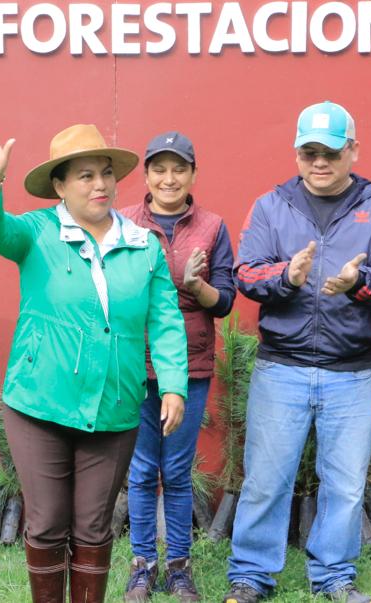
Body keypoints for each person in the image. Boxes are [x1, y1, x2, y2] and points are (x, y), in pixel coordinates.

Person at [0, 120, 188, 603]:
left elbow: (166, 319)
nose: (100, 184)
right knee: (46, 524)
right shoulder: (38, 232)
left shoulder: (143, 245)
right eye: (84, 176)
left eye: (105, 173)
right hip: (38, 404)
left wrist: (172, 383)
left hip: (114, 406)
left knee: (93, 527)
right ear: (60, 186)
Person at [223, 101, 371, 603]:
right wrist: (286, 276)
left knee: (346, 486)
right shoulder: (271, 206)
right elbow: (246, 274)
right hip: (280, 369)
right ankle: (250, 576)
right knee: (266, 481)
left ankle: (334, 577)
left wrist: (358, 281)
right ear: (297, 152)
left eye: (330, 152)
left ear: (353, 150)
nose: (319, 162)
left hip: (351, 373)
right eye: (309, 152)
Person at [119, 132, 236, 602]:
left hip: (191, 366)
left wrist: (197, 287)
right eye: (159, 169)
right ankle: (143, 565)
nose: (169, 179)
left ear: (192, 173)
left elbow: (225, 299)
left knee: (179, 470)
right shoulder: (124, 222)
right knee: (143, 469)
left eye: (179, 169)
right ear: (146, 175)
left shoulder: (213, 225)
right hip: (134, 366)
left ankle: (180, 568)